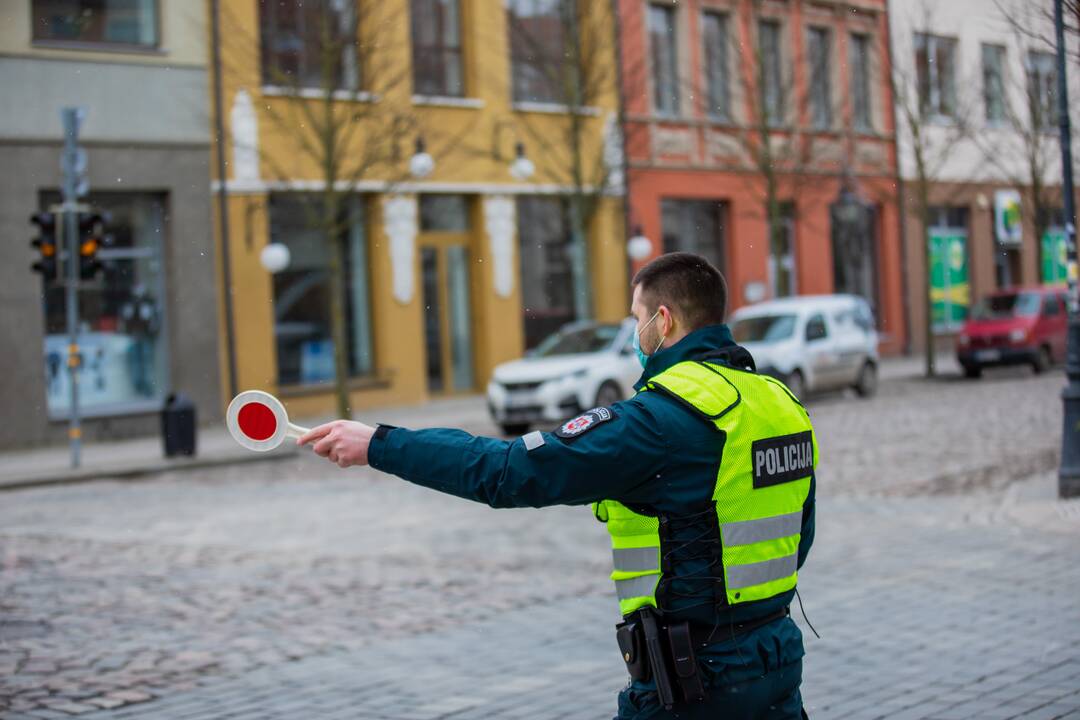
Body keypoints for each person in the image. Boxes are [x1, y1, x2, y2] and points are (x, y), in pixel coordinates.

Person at [299, 252, 817, 719]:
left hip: (695, 679)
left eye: (637, 320)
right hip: (775, 657)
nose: (637, 335)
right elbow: (797, 538)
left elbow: (509, 472)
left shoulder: (658, 419)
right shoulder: (779, 403)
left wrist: (380, 444)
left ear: (664, 321)